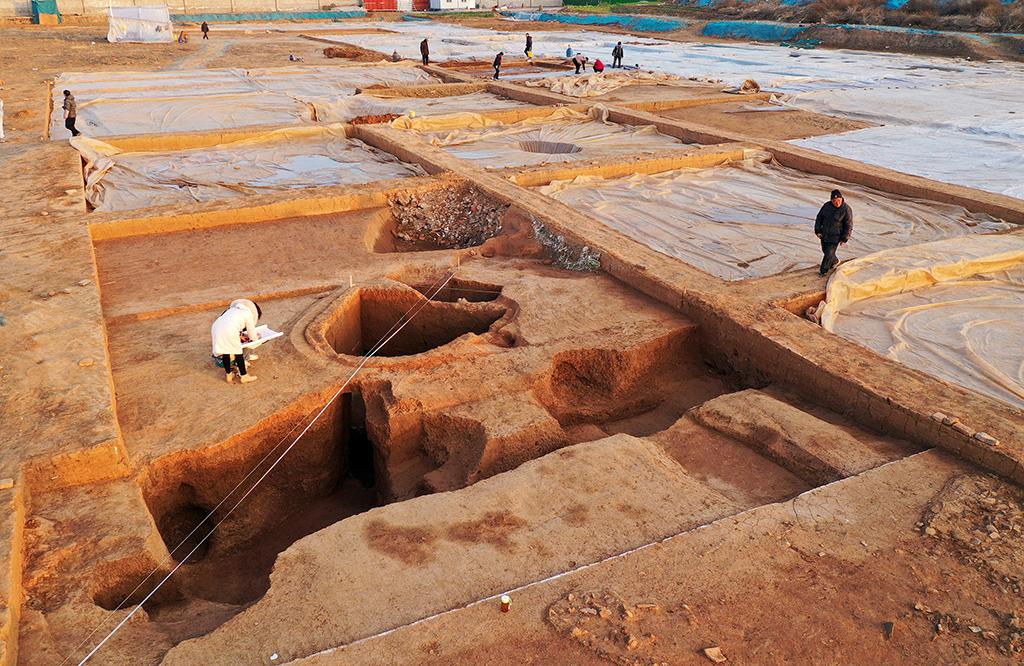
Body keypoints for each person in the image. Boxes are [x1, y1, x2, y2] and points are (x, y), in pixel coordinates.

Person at [211, 299, 262, 384]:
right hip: (229, 330)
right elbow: (251, 331)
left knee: (225, 350)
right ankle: (244, 376)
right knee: (238, 353)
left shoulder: (232, 310)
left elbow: (229, 323)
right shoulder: (247, 313)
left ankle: (229, 375)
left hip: (216, 328)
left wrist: (240, 335)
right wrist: (256, 339)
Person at [814, 189, 853, 276]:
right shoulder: (826, 206)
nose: (837, 203)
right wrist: (817, 230)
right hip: (824, 234)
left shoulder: (846, 209)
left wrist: (845, 238)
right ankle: (835, 261)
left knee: (828, 253)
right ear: (831, 200)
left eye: (838, 200)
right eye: (834, 201)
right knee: (825, 251)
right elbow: (819, 218)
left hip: (836, 236)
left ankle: (823, 271)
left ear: (841, 199)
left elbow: (849, 225)